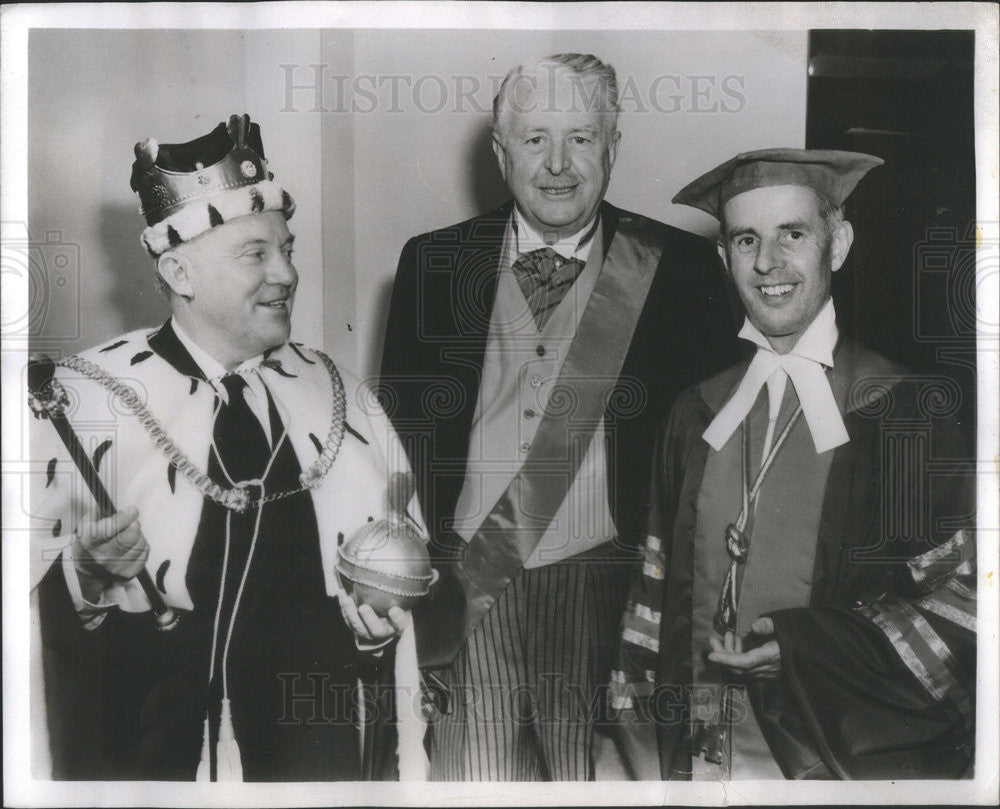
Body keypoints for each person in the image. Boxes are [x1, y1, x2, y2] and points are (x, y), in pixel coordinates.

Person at [29, 115, 427, 781]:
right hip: (142, 763)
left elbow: (392, 624)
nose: (287, 274)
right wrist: (83, 576)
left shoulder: (342, 400)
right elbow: (30, 628)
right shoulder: (82, 401)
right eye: (255, 254)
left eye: (287, 248)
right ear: (179, 270)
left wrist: (373, 632)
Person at [379, 53, 739, 780]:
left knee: (597, 786)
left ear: (612, 145)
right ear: (501, 151)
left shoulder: (679, 268)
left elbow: (711, 454)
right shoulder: (431, 262)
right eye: (536, 138)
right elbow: (401, 441)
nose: (558, 163)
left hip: (613, 589)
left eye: (580, 137)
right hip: (468, 589)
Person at [602, 148, 976, 780]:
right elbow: (653, 594)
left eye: (793, 235)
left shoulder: (907, 415)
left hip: (828, 762)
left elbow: (967, 605)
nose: (768, 263)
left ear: (838, 244)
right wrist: (636, 741)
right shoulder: (694, 415)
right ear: (724, 259)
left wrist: (805, 651)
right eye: (746, 239)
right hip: (696, 762)